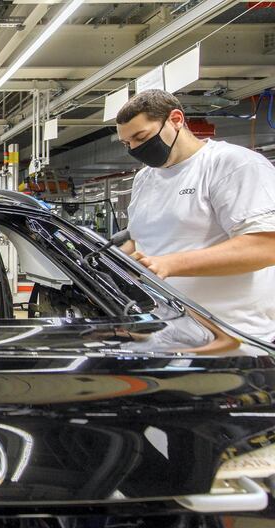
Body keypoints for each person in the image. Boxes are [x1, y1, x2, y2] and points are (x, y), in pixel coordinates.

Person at [116, 89, 275, 340]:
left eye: (140, 137)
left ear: (176, 119)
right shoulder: (145, 178)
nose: (135, 148)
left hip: (233, 336)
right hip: (164, 331)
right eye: (127, 144)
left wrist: (168, 264)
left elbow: (265, 246)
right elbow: (141, 242)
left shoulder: (232, 164)